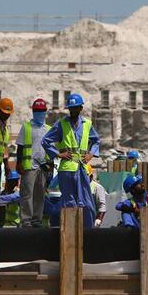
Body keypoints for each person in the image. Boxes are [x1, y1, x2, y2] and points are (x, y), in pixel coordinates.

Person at [42, 93, 100, 228]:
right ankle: (70, 231)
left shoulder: (87, 124)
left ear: (80, 108)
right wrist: (58, 154)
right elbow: (46, 141)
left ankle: (87, 230)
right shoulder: (61, 124)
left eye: (75, 108)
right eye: (71, 108)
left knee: (86, 201)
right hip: (67, 169)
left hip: (82, 168)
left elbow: (96, 141)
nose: (73, 111)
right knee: (69, 202)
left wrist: (91, 154)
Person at [17, 98, 52, 228]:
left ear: (45, 112)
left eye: (41, 111)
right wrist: (18, 163)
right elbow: (20, 147)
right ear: (33, 112)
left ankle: (37, 220)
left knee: (40, 194)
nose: (39, 113)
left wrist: (51, 166)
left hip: (43, 167)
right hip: (29, 166)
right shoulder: (26, 127)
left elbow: (51, 149)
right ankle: (26, 220)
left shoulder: (48, 129)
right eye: (37, 111)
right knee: (27, 194)